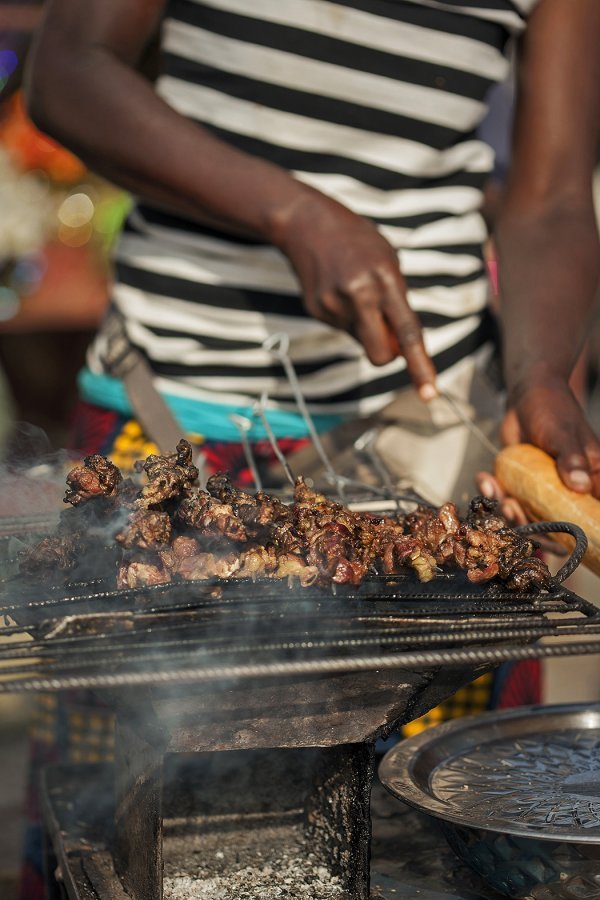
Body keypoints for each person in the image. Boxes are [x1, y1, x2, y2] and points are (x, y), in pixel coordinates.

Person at [15, 2, 600, 897]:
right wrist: (290, 211)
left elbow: (555, 194)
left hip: (436, 445)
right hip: (171, 418)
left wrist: (543, 375)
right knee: (122, 830)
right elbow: (67, 72)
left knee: (451, 842)